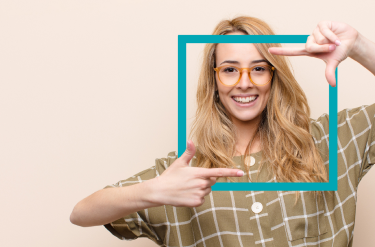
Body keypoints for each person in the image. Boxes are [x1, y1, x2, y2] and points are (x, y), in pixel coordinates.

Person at [70, 16, 375, 247]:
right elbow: (81, 213)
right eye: (230, 70)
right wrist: (154, 191)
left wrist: (359, 46)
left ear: (274, 75)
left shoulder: (330, 140)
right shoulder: (184, 174)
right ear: (214, 80)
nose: (245, 82)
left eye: (258, 68)